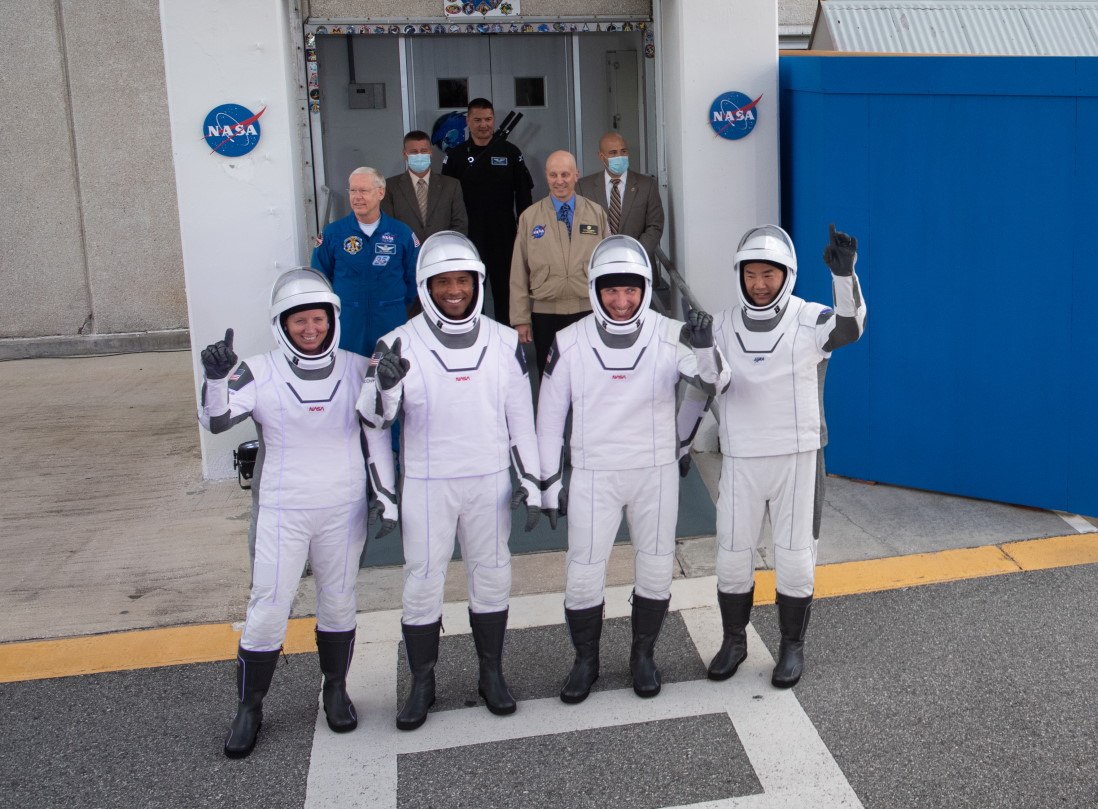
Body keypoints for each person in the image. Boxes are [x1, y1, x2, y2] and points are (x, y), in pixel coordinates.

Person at [357, 231, 542, 731]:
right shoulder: (394, 343)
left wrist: (532, 479)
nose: (454, 290)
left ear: (477, 283)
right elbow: (374, 422)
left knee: (492, 575)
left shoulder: (505, 341)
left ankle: (491, 673)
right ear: (425, 286)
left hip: (488, 482)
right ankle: (422, 682)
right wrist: (385, 492)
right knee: (421, 582)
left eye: (462, 280)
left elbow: (520, 419)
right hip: (427, 483)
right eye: (443, 282)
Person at [536, 235, 730, 703]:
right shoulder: (569, 341)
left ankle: (643, 655)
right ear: (595, 289)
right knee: (583, 572)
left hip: (654, 472)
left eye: (631, 290)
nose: (621, 302)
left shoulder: (670, 333)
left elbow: (714, 382)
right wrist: (546, 482)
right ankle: (586, 660)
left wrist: (703, 348)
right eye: (610, 290)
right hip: (593, 473)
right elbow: (547, 416)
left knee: (656, 569)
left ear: (645, 287)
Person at [198, 268, 376, 758]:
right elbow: (217, 421)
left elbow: (381, 421)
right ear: (282, 324)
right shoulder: (255, 370)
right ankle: (249, 708)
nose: (310, 329)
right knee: (269, 609)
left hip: (343, 506)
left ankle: (335, 690)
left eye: (317, 319)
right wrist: (216, 379)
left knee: (338, 603)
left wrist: (390, 387)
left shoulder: (359, 366)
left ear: (331, 319)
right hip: (282, 509)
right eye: (299, 321)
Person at [698, 223, 866, 689]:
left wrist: (844, 277)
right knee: (732, 555)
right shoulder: (721, 323)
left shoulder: (809, 318)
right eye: (751, 275)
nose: (759, 284)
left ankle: (792, 646)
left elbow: (850, 328)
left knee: (795, 558)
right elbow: (707, 385)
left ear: (786, 275)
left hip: (798, 455)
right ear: (740, 276)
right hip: (742, 457)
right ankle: (734, 640)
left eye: (768, 275)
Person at [510, 150, 608, 376]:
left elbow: (607, 268)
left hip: (588, 310)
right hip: (546, 313)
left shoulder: (596, 214)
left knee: (589, 373)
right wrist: (520, 319)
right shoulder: (530, 217)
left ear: (576, 175)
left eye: (565, 174)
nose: (559, 181)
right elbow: (518, 273)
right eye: (553, 175)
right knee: (550, 375)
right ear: (546, 176)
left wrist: (608, 312)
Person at [442, 98, 533, 328]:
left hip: (504, 234)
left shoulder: (510, 152)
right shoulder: (456, 155)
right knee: (471, 290)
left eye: (488, 119)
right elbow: (447, 199)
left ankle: (508, 341)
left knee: (506, 290)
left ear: (493, 119)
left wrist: (524, 232)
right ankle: (474, 337)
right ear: (468, 121)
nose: (483, 125)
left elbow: (523, 197)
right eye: (477, 120)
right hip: (469, 235)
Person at [311, 167, 420, 357]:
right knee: (349, 378)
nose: (357, 197)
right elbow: (319, 279)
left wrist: (394, 303)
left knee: (393, 376)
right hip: (348, 322)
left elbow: (414, 277)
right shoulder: (332, 234)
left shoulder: (401, 234)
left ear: (380, 193)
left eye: (363, 190)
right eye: (353, 190)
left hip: (390, 319)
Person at [576, 132, 664, 271]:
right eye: (613, 153)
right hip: (598, 266)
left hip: (638, 265)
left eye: (623, 151)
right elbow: (579, 227)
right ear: (601, 157)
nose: (620, 156)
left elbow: (655, 226)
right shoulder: (583, 187)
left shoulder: (647, 185)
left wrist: (634, 255)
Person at [381, 130, 468, 243]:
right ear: (404, 155)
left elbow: (460, 225)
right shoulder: (390, 187)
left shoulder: (451, 185)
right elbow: (387, 226)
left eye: (423, 151)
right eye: (414, 152)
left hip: (442, 254)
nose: (419, 155)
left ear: (430, 153)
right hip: (405, 255)